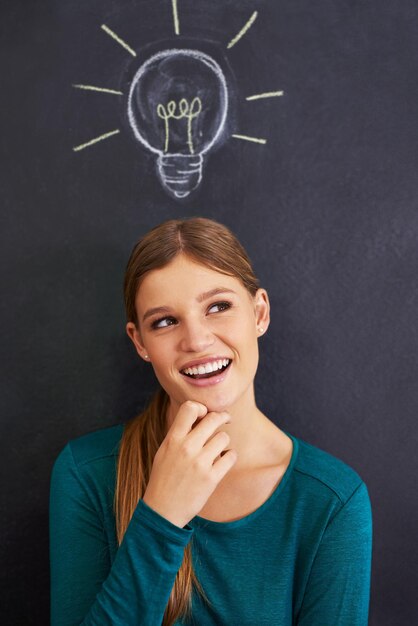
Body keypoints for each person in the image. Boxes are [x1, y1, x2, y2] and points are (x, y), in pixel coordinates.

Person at [49, 217, 373, 626]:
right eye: (165, 321)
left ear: (259, 313)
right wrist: (161, 516)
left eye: (218, 307)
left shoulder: (331, 501)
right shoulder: (87, 473)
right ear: (139, 342)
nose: (197, 340)